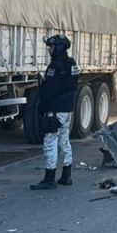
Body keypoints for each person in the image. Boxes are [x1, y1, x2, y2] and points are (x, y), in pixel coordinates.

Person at [31, 34, 80, 190]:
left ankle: (49, 178)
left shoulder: (54, 67)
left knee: (50, 142)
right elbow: (72, 85)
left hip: (55, 109)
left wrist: (41, 107)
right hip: (67, 109)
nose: (49, 50)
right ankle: (66, 175)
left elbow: (49, 91)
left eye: (51, 47)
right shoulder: (72, 64)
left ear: (58, 48)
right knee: (64, 140)